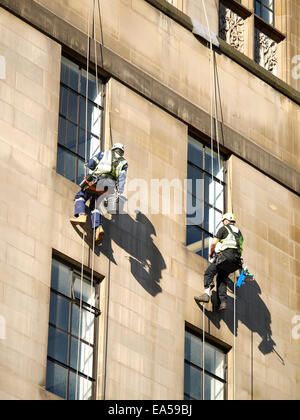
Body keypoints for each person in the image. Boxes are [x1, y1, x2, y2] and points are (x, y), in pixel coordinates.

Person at [70, 143, 128, 245]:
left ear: (113, 148)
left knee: (81, 196)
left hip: (98, 180)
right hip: (108, 187)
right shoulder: (124, 163)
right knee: (96, 206)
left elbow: (92, 163)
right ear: (122, 152)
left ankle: (81, 215)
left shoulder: (105, 153)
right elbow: (122, 178)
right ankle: (98, 229)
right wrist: (119, 192)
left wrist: (89, 166)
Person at [194, 213, 243, 310]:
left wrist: (211, 253)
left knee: (209, 273)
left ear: (226, 220)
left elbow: (213, 244)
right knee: (222, 279)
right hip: (235, 262)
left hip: (225, 257)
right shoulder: (239, 233)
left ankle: (206, 294)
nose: (223, 222)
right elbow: (239, 247)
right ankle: (223, 302)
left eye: (223, 221)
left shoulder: (224, 229)